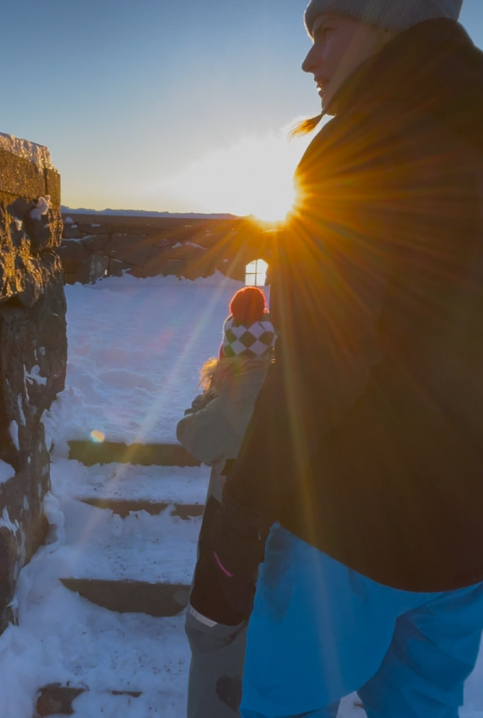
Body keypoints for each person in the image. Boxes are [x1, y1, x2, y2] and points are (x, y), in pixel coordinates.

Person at [199, 0, 483, 717]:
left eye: (326, 30)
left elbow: (321, 367)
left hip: (346, 538)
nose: (309, 59)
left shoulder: (357, 149)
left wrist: (245, 510)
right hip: (467, 541)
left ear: (386, 28)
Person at [176, 286, 276, 717]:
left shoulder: (231, 400)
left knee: (215, 631)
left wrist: (209, 399)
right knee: (276, 632)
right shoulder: (292, 391)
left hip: (229, 529)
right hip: (286, 531)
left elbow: (191, 436)